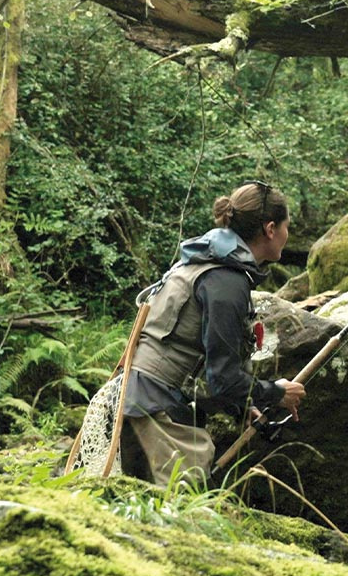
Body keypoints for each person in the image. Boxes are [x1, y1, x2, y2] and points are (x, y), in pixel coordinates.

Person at [120, 181, 305, 485]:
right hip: (152, 412)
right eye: (286, 226)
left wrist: (242, 407)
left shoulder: (205, 262)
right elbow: (223, 378)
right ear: (270, 229)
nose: (288, 235)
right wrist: (277, 393)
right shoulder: (227, 281)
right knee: (181, 514)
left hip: (135, 399)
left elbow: (202, 362)